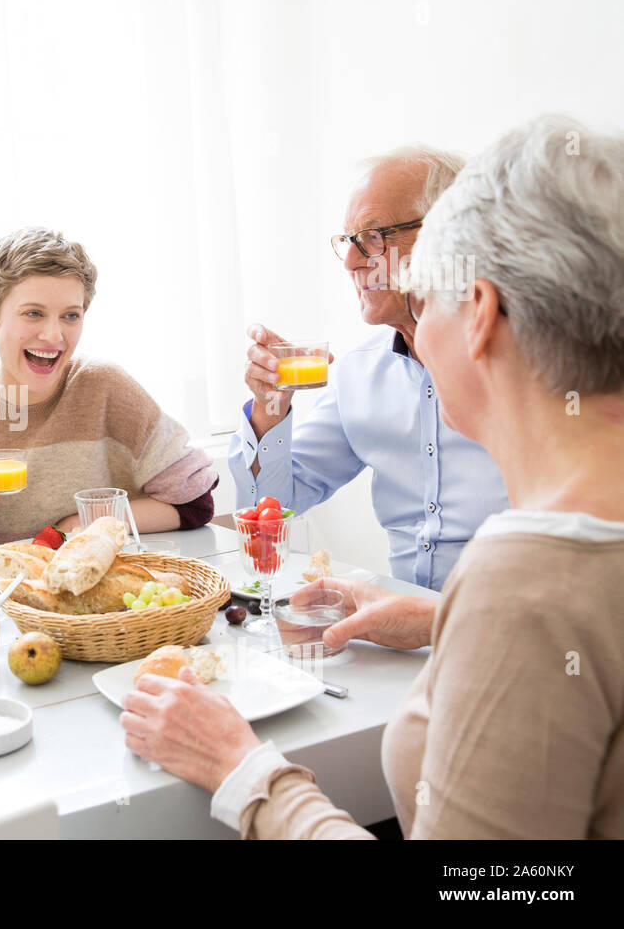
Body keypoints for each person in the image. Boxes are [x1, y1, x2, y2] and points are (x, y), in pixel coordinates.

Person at [123, 115, 624, 838]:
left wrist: (245, 771)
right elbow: (274, 499)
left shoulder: (527, 583)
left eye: (428, 296)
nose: (415, 328)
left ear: (478, 312)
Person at [227, 147, 508, 590]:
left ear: (452, 234)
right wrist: (269, 411)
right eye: (348, 241)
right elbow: (272, 505)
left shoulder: (532, 366)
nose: (352, 262)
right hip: (405, 636)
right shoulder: (360, 372)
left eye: (374, 237)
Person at [0, 227, 217, 558]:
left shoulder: (106, 386)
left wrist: (80, 522)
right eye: (33, 313)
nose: (54, 336)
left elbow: (195, 502)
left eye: (70, 316)